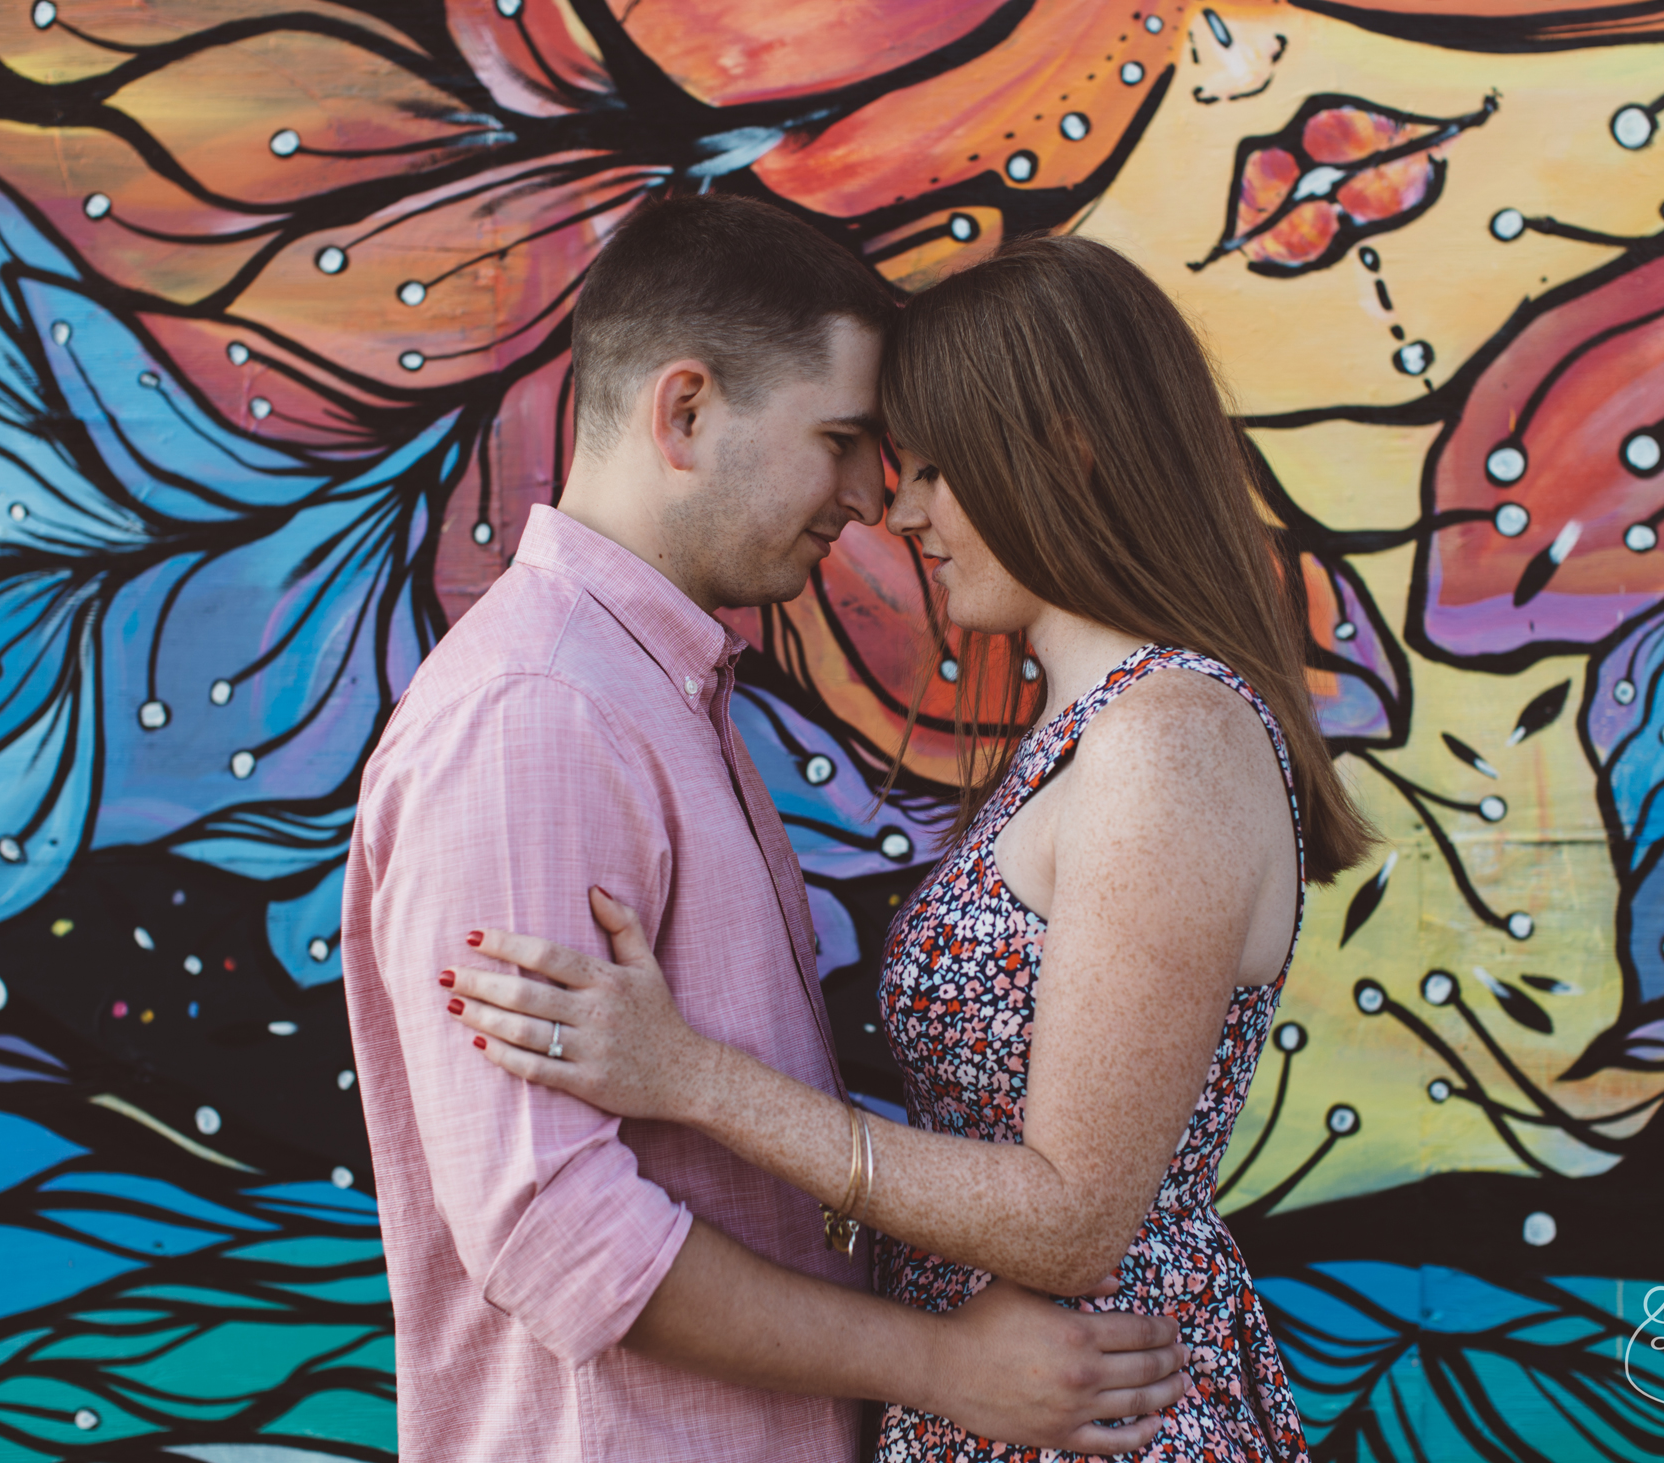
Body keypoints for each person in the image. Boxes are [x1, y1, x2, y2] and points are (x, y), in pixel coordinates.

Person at [439, 233, 1380, 1461]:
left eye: (935, 470)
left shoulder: (1166, 736)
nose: (899, 510)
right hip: (1015, 1397)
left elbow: (1073, 1218)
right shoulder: (1080, 733)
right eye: (877, 458)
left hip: (1103, 1412)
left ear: (1064, 450)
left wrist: (689, 1076)